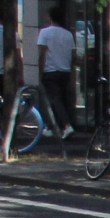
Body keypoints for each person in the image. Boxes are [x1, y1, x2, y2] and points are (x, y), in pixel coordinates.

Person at [35, 8, 76, 136]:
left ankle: (66, 125)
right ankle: (53, 126)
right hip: (65, 71)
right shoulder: (68, 34)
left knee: (54, 99)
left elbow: (42, 53)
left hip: (50, 70)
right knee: (61, 99)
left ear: (50, 17)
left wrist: (40, 70)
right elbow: (73, 54)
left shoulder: (45, 33)